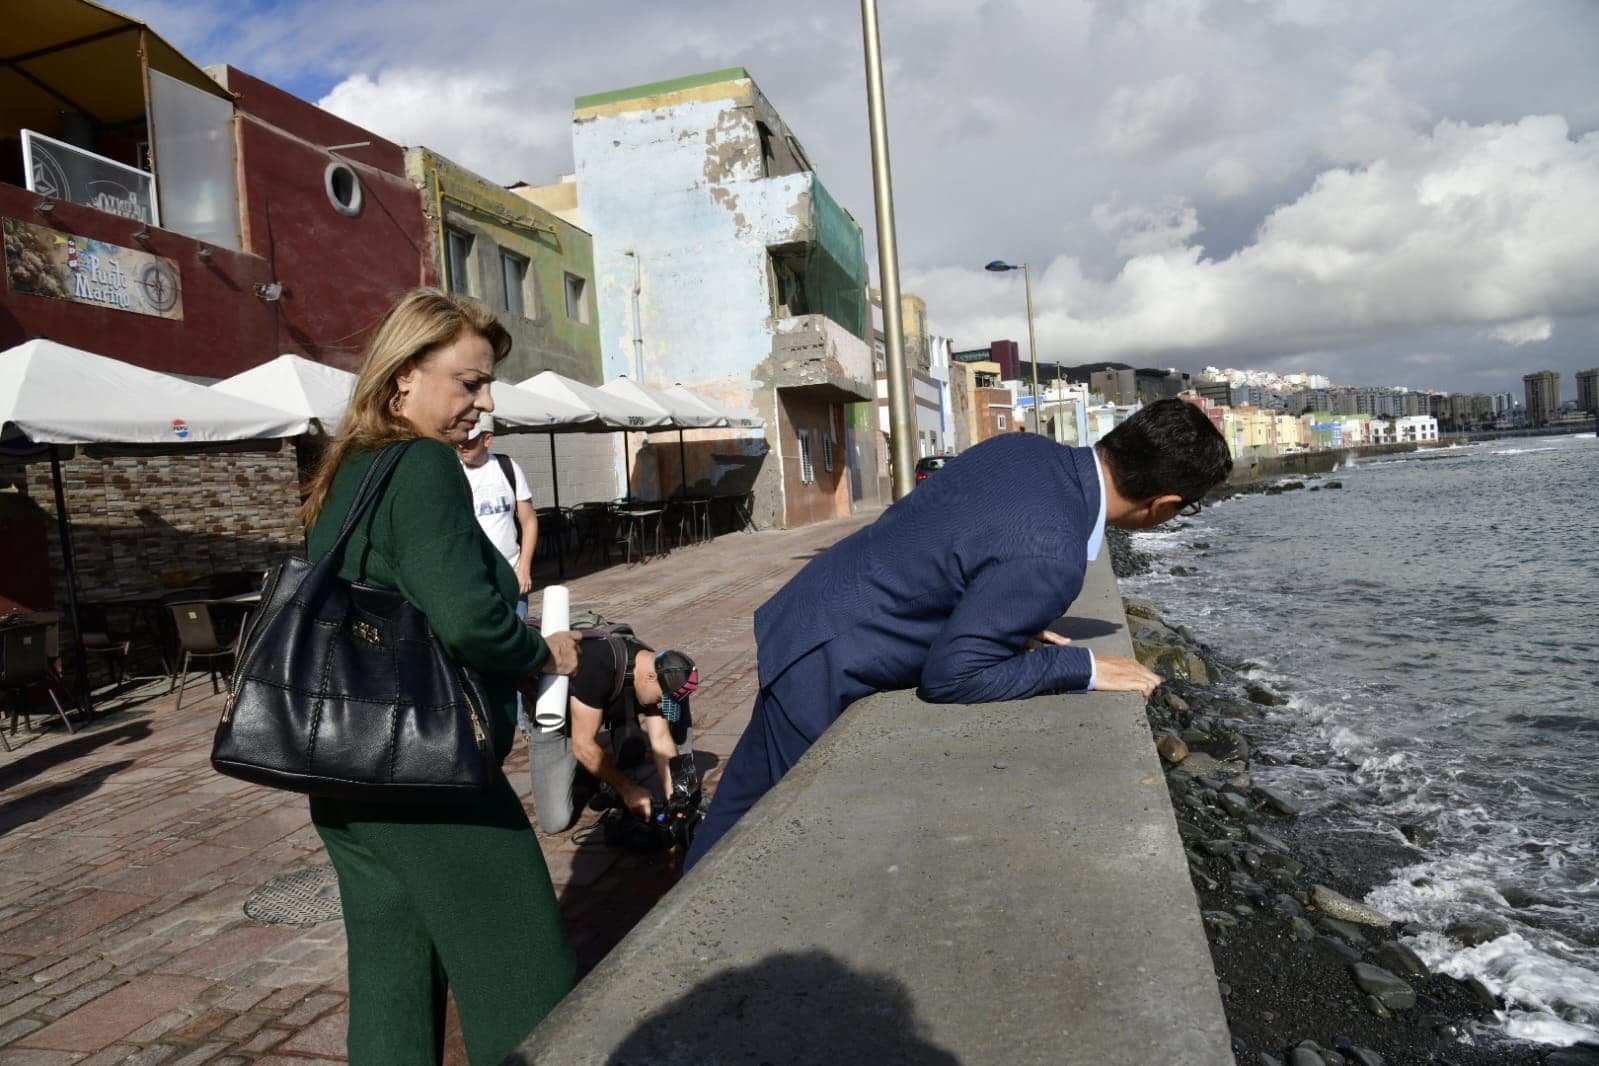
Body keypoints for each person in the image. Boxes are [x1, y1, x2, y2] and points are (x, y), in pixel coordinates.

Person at [683, 398, 1233, 870]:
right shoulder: (1055, 554)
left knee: (740, 807)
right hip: (829, 655)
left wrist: (1000, 618)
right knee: (755, 832)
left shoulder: (1025, 451)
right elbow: (954, 676)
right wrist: (1081, 668)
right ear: (1164, 506)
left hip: (822, 610)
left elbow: (951, 542)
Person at [298, 288, 583, 1064]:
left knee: (393, 985)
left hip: (343, 764)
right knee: (527, 981)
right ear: (402, 380)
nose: (485, 403)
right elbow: (468, 621)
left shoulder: (350, 467)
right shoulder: (421, 465)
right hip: (427, 770)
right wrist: (542, 656)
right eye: (470, 382)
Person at [527, 636, 698, 834]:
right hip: (555, 720)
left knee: (629, 749)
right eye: (660, 698)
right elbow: (582, 746)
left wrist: (674, 799)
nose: (660, 704)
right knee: (555, 822)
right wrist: (627, 789)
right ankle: (591, 773)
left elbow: (660, 737)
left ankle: (599, 773)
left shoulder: (653, 665)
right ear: (651, 677)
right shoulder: (598, 666)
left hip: (598, 708)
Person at [456, 414, 537, 616]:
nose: (462, 445)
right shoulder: (453, 472)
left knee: (518, 641)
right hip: (473, 582)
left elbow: (529, 522)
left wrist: (524, 568)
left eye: (470, 441)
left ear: (487, 439)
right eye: (460, 440)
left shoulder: (507, 467)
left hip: (511, 577)